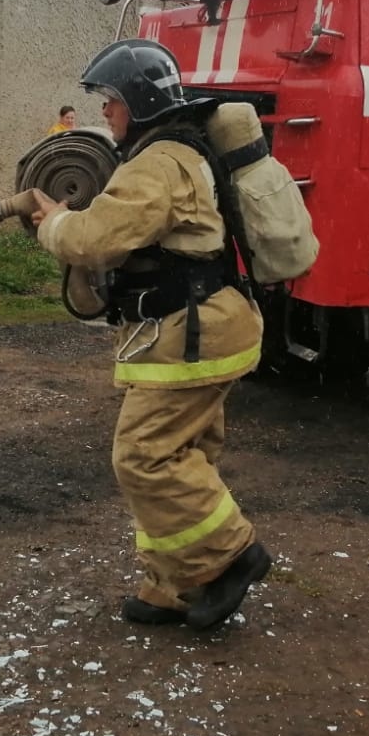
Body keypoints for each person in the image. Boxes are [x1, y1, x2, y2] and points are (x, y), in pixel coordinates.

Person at [30, 39, 270, 629]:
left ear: (136, 102)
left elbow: (95, 240)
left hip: (192, 334)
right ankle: (176, 587)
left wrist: (53, 221)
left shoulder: (158, 164)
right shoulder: (179, 151)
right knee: (185, 458)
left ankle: (233, 556)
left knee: (144, 457)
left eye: (110, 100)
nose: (104, 112)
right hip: (206, 326)